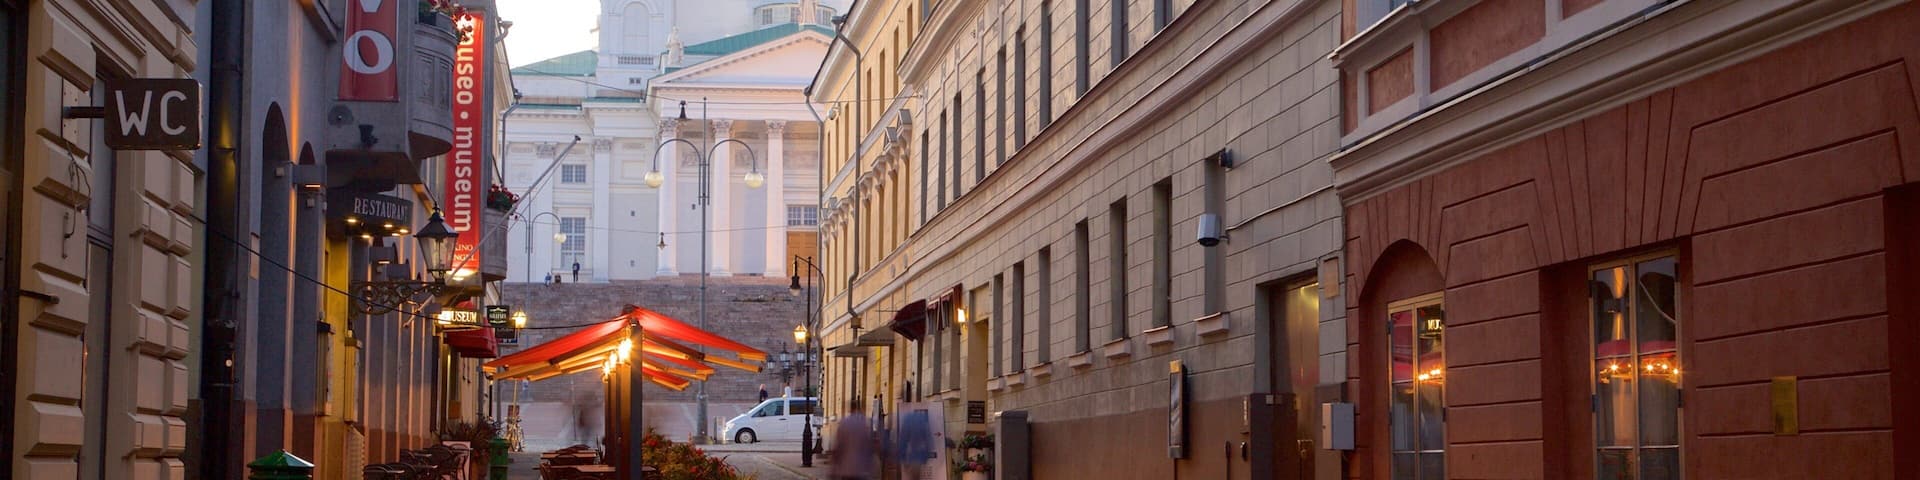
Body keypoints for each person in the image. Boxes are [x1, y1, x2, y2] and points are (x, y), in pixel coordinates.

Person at [831, 401, 876, 480]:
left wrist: (834, 467)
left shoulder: (844, 423)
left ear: (850, 409)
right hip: (861, 468)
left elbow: (838, 447)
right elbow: (869, 445)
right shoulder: (864, 423)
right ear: (858, 408)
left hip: (847, 468)